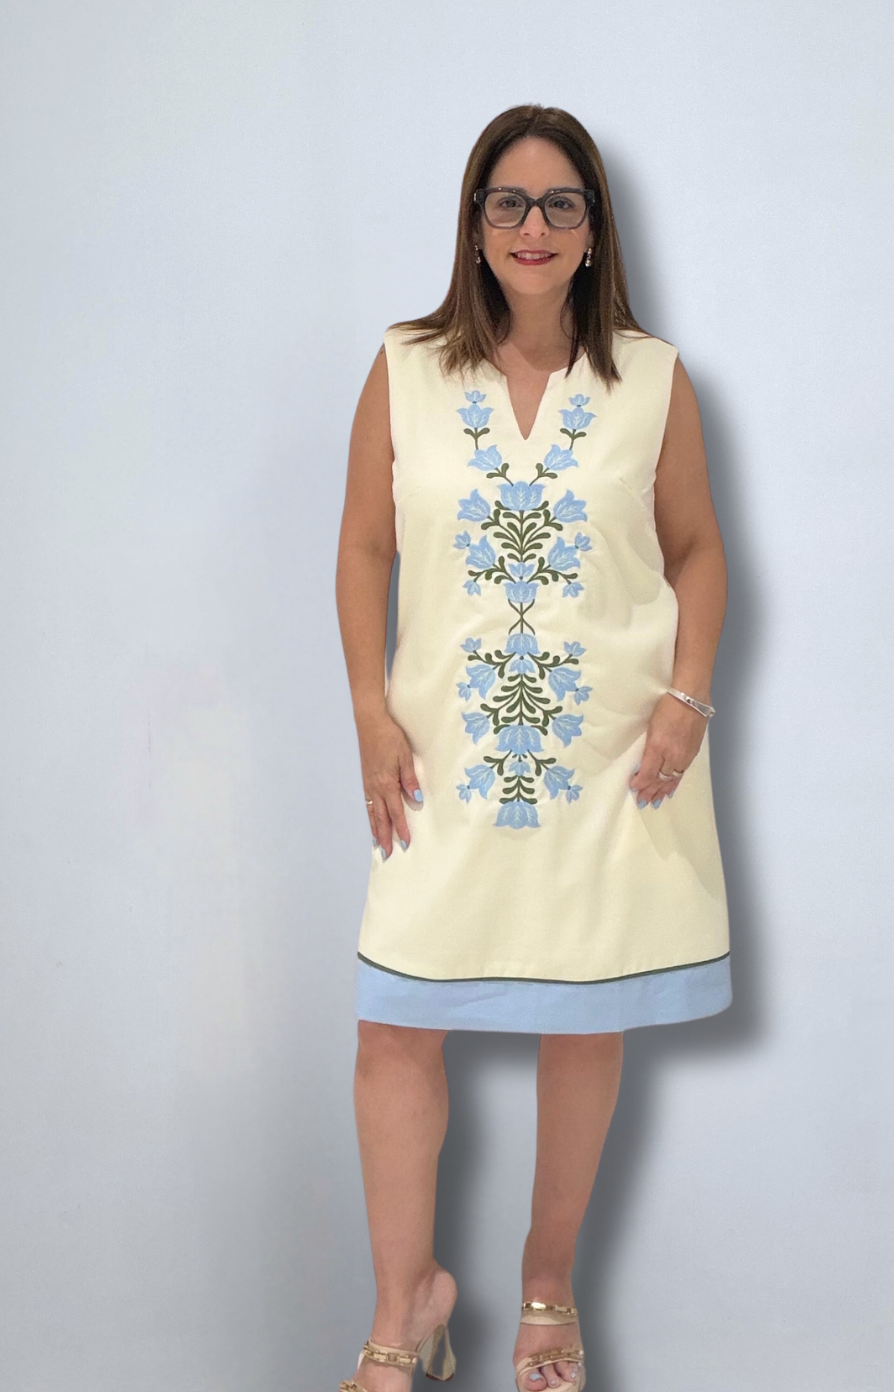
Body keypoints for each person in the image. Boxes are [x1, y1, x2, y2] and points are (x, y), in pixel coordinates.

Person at [335, 103, 731, 1392]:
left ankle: (548, 1285)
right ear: (474, 223)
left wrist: (687, 699)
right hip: (438, 759)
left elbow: (696, 549)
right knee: (396, 1022)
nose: (534, 226)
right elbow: (365, 546)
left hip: (609, 756)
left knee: (584, 1012)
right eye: (508, 201)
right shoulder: (404, 367)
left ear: (595, 228)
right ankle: (405, 1304)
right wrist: (369, 711)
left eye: (562, 203)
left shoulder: (652, 379)